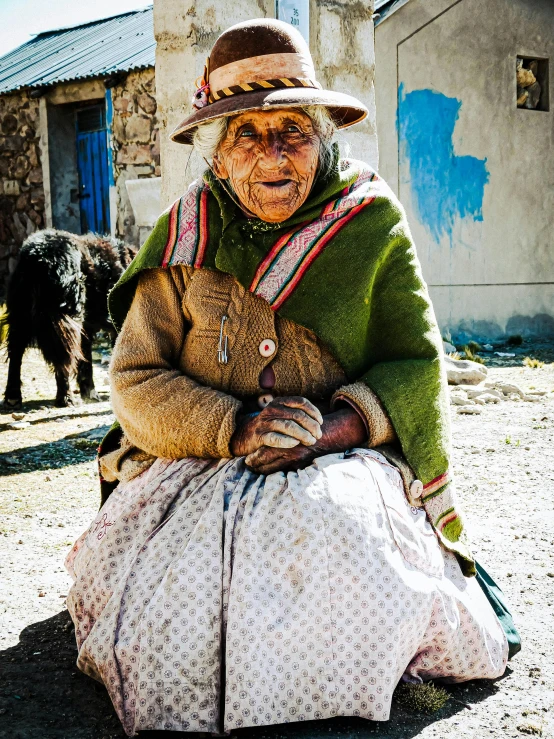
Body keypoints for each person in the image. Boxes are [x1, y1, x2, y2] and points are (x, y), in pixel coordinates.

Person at [65, 18, 519, 737]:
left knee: (337, 536)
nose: (273, 154)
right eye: (249, 132)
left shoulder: (367, 221)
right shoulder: (189, 228)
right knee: (175, 598)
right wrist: (236, 427)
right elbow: (136, 376)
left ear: (323, 137)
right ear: (217, 151)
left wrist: (332, 429)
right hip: (200, 459)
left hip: (338, 455)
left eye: (292, 131)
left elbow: (415, 364)